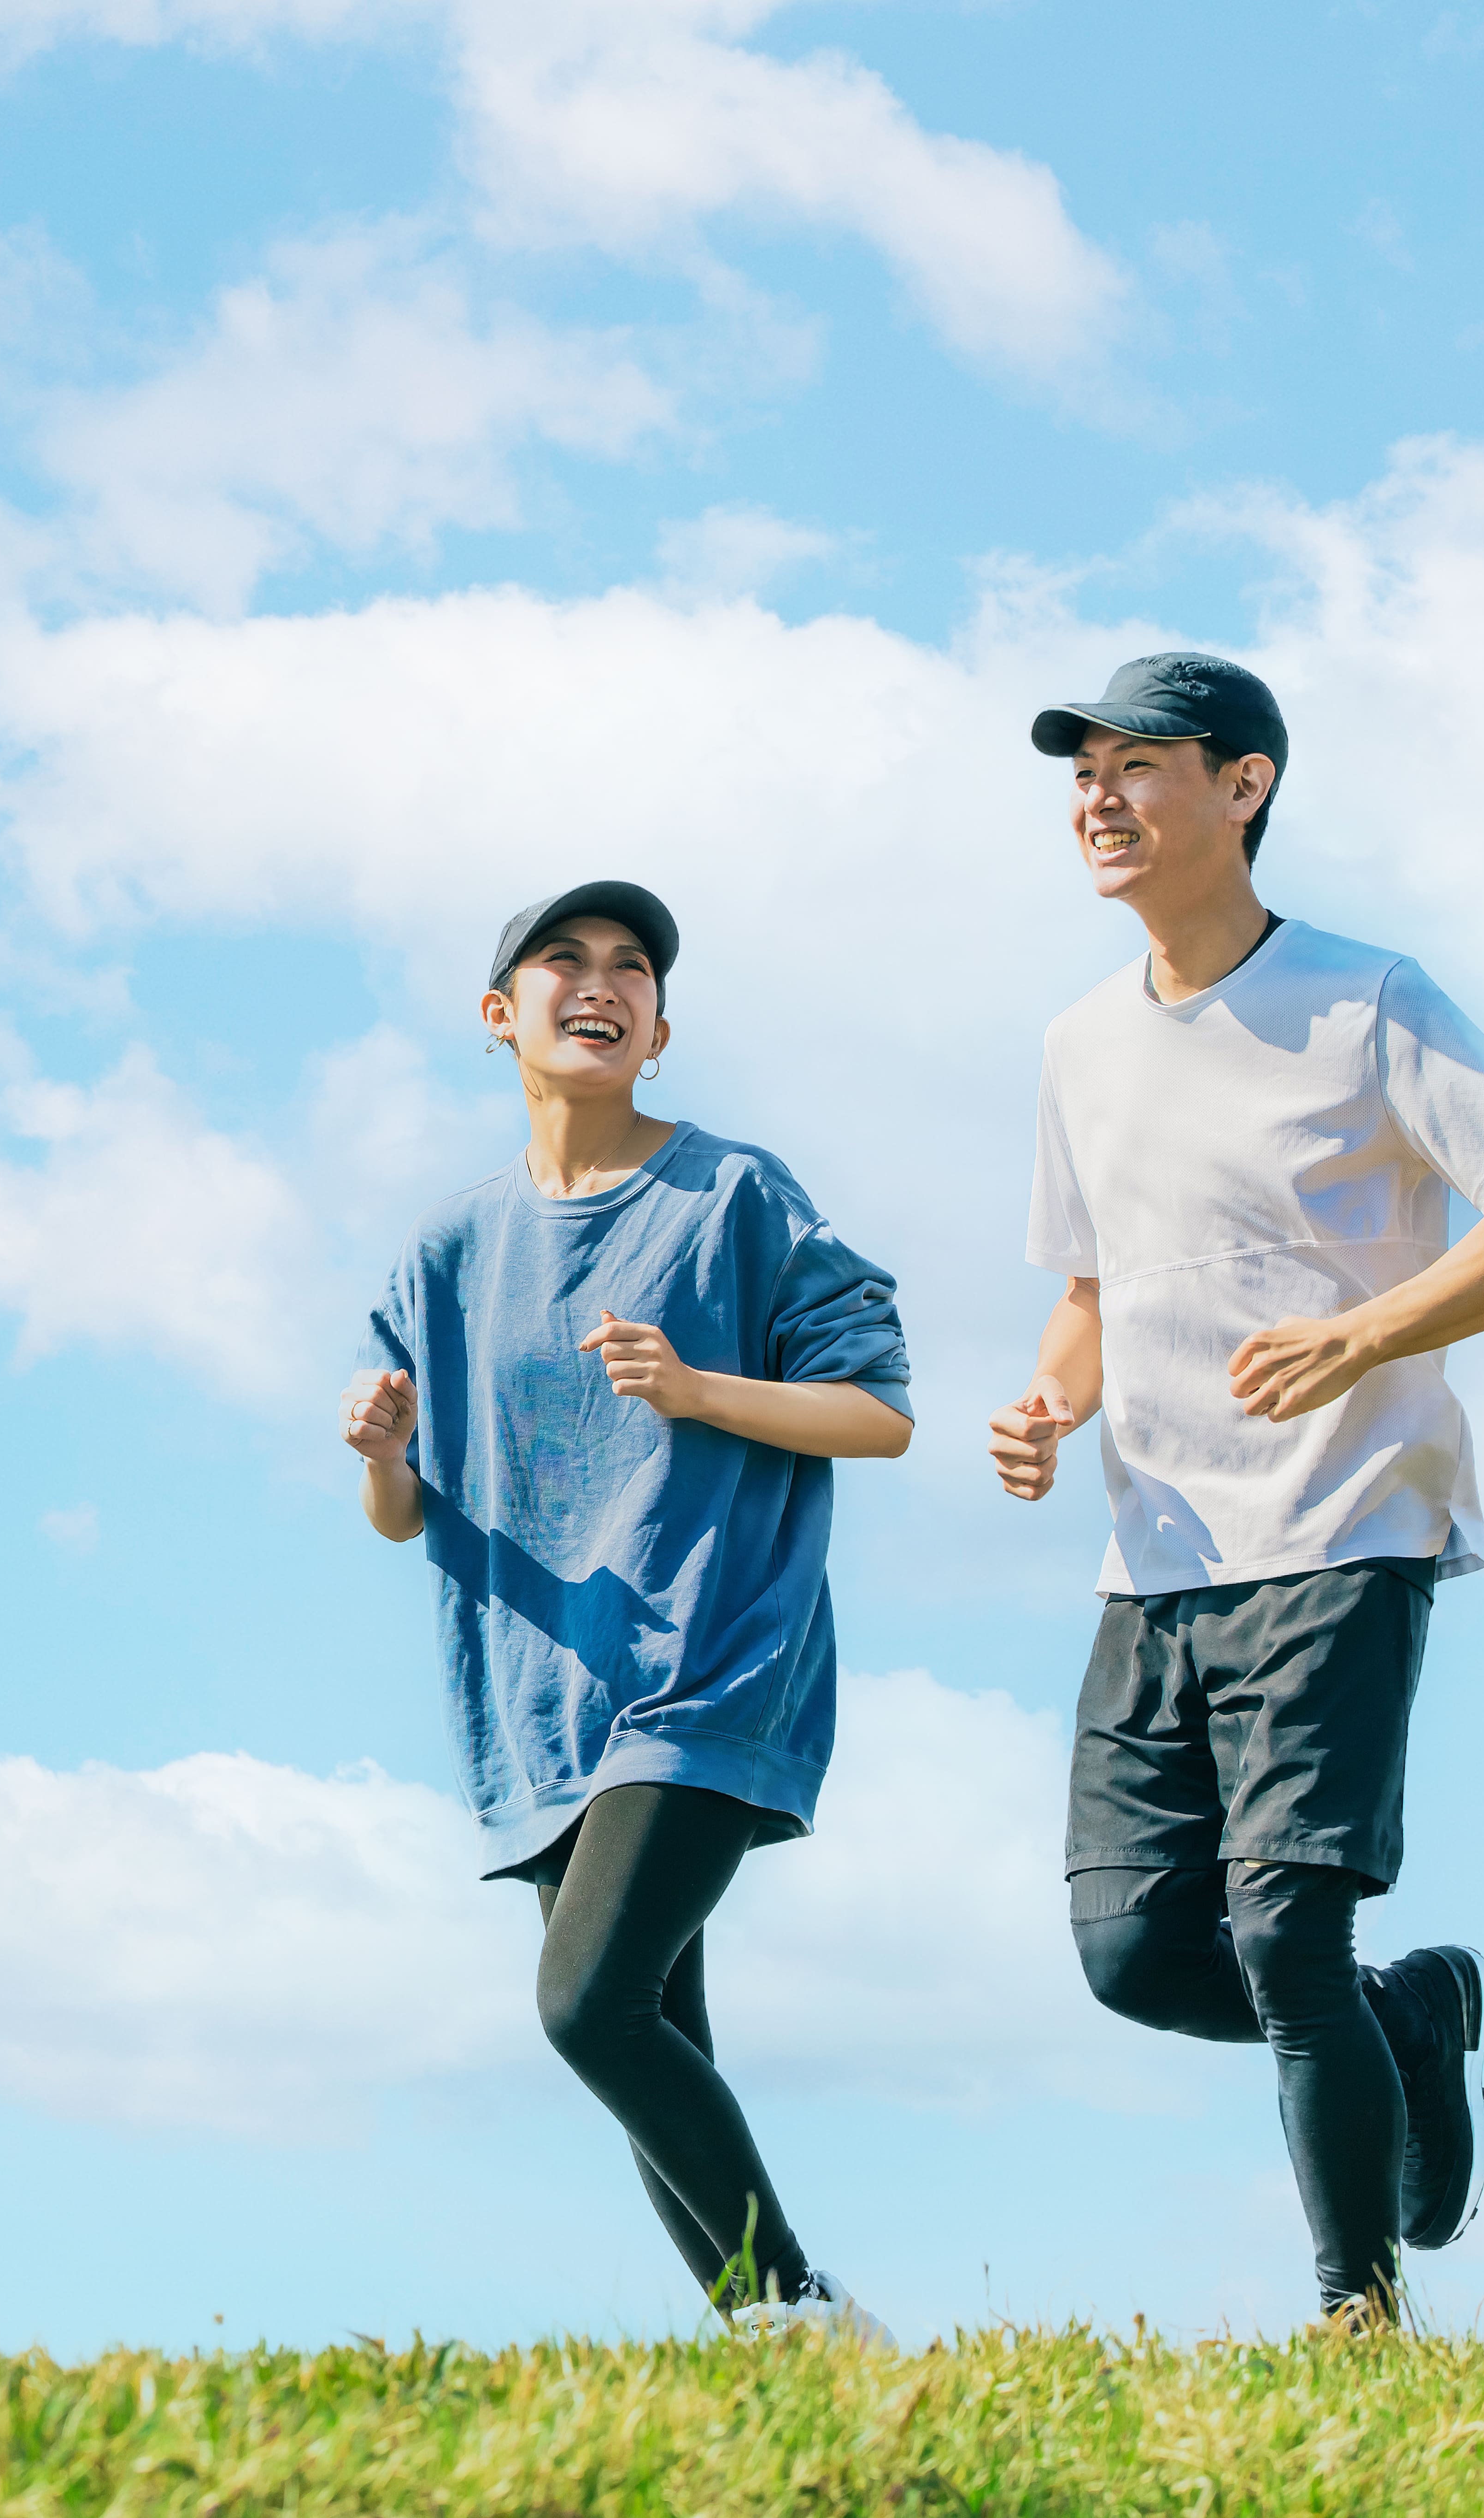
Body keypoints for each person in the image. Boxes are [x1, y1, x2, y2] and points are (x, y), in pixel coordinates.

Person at [983, 654, 1484, 2330]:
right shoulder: (1076, 1044)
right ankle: (1409, 2023)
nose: (1097, 799)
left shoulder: (1370, 998)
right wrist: (1048, 1407)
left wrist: (1365, 1333)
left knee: (1283, 1934)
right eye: (1082, 774)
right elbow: (1096, 1292)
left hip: (1344, 1529)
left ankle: (1357, 2309)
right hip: (1157, 1558)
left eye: (1138, 766)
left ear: (1243, 787)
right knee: (1132, 1958)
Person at [341, 880, 914, 2342]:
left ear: (659, 1030)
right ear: (499, 1017)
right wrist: (386, 1459)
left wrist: (699, 1388)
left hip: (714, 1666)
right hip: (543, 1697)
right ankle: (774, 2351)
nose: (600, 983)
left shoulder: (735, 1196)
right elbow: (409, 1521)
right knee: (660, 2035)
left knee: (588, 2008)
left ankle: (804, 2310)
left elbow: (879, 1415)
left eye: (632, 970)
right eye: (565, 962)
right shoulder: (445, 1251)